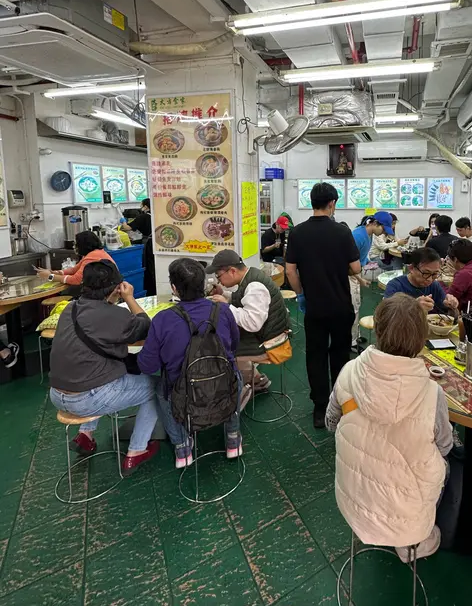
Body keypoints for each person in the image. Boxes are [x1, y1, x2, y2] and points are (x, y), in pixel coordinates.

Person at [325, 294, 453, 561]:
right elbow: (445, 446)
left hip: (353, 499)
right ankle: (414, 542)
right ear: (421, 338)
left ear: (378, 330)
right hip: (408, 513)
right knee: (445, 466)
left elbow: (331, 423)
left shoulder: (349, 370)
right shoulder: (433, 393)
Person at [48, 261, 158, 474]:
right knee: (157, 388)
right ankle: (137, 450)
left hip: (57, 394)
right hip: (87, 399)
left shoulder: (70, 308)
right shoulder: (114, 315)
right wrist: (129, 298)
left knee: (95, 372)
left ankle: (86, 435)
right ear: (116, 287)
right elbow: (146, 326)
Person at [137, 257, 243, 464]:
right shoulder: (222, 310)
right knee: (234, 375)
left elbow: (148, 366)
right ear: (203, 284)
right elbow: (234, 345)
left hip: (183, 393)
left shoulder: (163, 319)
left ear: (174, 288)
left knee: (162, 389)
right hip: (222, 383)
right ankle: (233, 438)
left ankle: (182, 448)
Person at [285, 182, 361, 428]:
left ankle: (319, 409)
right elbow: (356, 268)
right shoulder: (342, 232)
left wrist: (300, 294)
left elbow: (290, 270)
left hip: (314, 307)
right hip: (341, 306)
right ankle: (340, 404)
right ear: (332, 203)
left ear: (312, 203)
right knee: (340, 354)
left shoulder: (297, 233)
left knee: (315, 355)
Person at [205, 250, 290, 409]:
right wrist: (225, 294)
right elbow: (244, 300)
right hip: (266, 334)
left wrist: (226, 306)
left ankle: (237, 402)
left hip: (271, 343)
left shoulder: (255, 287)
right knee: (227, 342)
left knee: (223, 350)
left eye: (219, 276)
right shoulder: (250, 276)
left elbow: (253, 323)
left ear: (232, 271)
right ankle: (258, 381)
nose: (219, 280)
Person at [349, 212, 391, 351]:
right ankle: (351, 342)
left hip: (356, 273)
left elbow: (360, 256)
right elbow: (347, 263)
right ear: (374, 223)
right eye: (383, 229)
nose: (384, 232)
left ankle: (355, 335)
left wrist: (367, 263)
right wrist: (360, 279)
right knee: (353, 308)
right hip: (349, 275)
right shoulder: (358, 236)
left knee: (357, 305)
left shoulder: (368, 234)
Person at [384, 247, 457, 315]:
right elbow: (387, 315)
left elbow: (447, 312)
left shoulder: (434, 285)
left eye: (435, 274)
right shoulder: (395, 285)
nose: (430, 279)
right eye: (426, 273)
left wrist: (450, 305)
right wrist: (414, 306)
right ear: (411, 268)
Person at [35, 230, 114, 286]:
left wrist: (50, 277)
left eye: (76, 244)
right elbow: (73, 270)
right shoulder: (94, 253)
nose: (74, 247)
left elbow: (76, 280)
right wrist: (54, 272)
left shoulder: (92, 258)